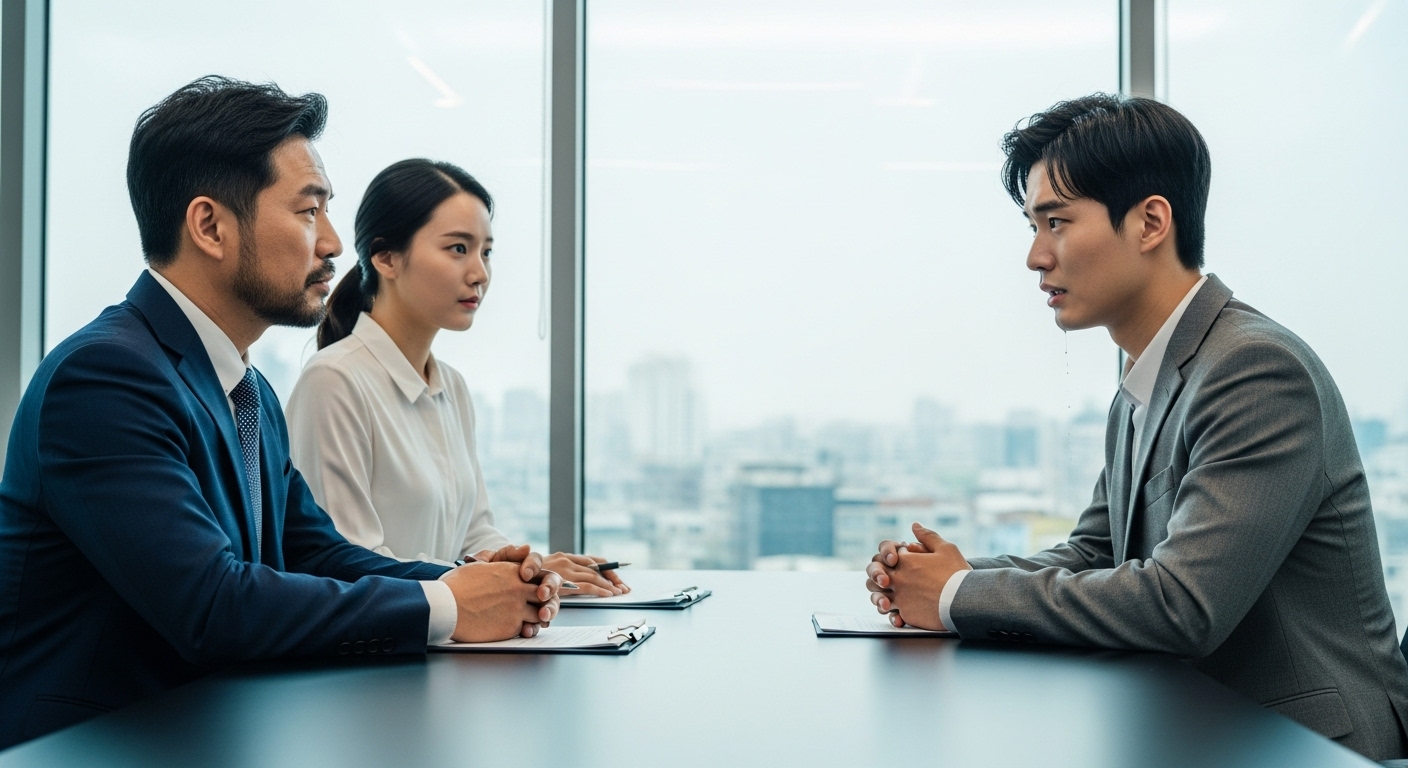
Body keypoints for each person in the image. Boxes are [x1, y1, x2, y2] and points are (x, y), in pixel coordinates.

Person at [0, 77, 561, 749]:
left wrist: (476, 583)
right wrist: (447, 606)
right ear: (210, 225)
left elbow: (314, 552)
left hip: (214, 736)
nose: (331, 243)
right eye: (307, 211)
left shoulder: (248, 389)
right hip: (92, 746)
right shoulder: (103, 378)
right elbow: (211, 604)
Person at [865, 94, 1408, 760]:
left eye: (1056, 222)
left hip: (1305, 745)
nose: (1036, 257)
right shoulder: (1145, 384)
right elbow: (1095, 555)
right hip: (1201, 726)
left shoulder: (1256, 371)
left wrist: (956, 594)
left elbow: (1182, 603)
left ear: (1151, 222)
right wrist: (941, 577)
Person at [284, 159, 628, 597]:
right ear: (386, 257)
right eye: (458, 249)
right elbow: (345, 562)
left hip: (458, 640)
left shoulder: (453, 388)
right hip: (384, 645)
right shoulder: (334, 381)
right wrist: (495, 582)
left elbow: (475, 536)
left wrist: (535, 571)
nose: (480, 273)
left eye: (486, 251)